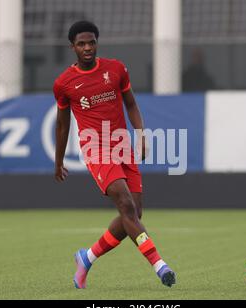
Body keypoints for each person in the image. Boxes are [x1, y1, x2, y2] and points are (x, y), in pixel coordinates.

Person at [53, 21, 176, 289]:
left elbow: (131, 104)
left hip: (122, 145)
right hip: (95, 148)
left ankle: (87, 257)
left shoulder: (116, 69)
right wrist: (58, 160)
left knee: (134, 213)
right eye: (81, 44)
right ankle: (159, 265)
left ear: (97, 42)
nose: (87, 48)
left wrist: (141, 135)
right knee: (126, 204)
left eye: (91, 42)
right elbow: (62, 124)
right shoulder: (64, 83)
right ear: (72, 47)